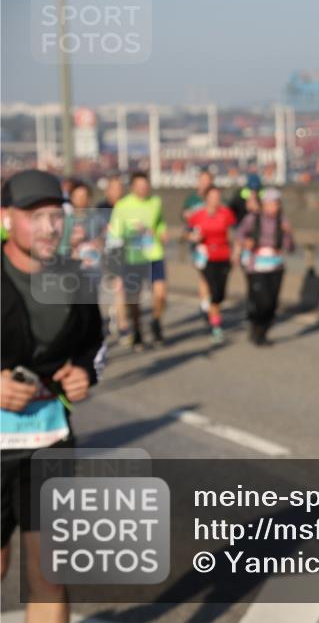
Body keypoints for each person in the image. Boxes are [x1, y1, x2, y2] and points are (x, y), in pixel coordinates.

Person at [1, 169, 106, 623]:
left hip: (50, 439)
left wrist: (85, 373)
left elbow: (95, 346)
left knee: (49, 574)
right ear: (6, 218)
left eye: (54, 215)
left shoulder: (75, 280)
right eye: (33, 216)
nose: (48, 227)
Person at [107, 172, 168, 350]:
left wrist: (160, 231)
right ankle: (138, 331)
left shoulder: (156, 202)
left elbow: (160, 223)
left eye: (145, 186)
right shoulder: (123, 206)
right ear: (132, 187)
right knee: (134, 299)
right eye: (139, 186)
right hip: (132, 257)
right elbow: (114, 234)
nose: (143, 189)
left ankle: (156, 322)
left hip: (153, 254)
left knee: (161, 293)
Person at [237, 188, 293, 346]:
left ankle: (262, 332)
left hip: (276, 266)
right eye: (270, 203)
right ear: (264, 205)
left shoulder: (283, 221)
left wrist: (288, 234)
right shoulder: (252, 219)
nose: (274, 207)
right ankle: (255, 324)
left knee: (273, 304)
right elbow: (239, 234)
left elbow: (290, 248)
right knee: (263, 301)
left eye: (276, 203)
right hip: (257, 266)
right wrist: (245, 242)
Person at [186, 185, 237, 344]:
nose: (215, 200)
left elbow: (232, 234)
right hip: (206, 257)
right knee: (213, 290)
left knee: (221, 294)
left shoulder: (226, 214)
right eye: (212, 197)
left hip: (224, 256)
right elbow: (187, 232)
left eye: (217, 196)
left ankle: (212, 313)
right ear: (206, 198)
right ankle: (216, 327)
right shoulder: (198, 215)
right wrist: (193, 237)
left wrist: (235, 253)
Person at [96, 177, 129, 343]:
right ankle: (109, 317)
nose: (117, 191)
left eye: (120, 188)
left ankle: (123, 325)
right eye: (114, 188)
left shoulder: (127, 206)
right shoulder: (100, 209)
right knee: (106, 290)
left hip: (123, 254)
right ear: (107, 190)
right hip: (105, 254)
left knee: (120, 288)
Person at [182, 169, 214, 320]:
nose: (205, 183)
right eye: (202, 180)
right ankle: (205, 306)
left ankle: (208, 303)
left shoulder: (215, 197)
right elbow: (185, 219)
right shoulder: (191, 200)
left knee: (213, 277)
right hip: (198, 243)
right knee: (204, 275)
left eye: (207, 180)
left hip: (214, 242)